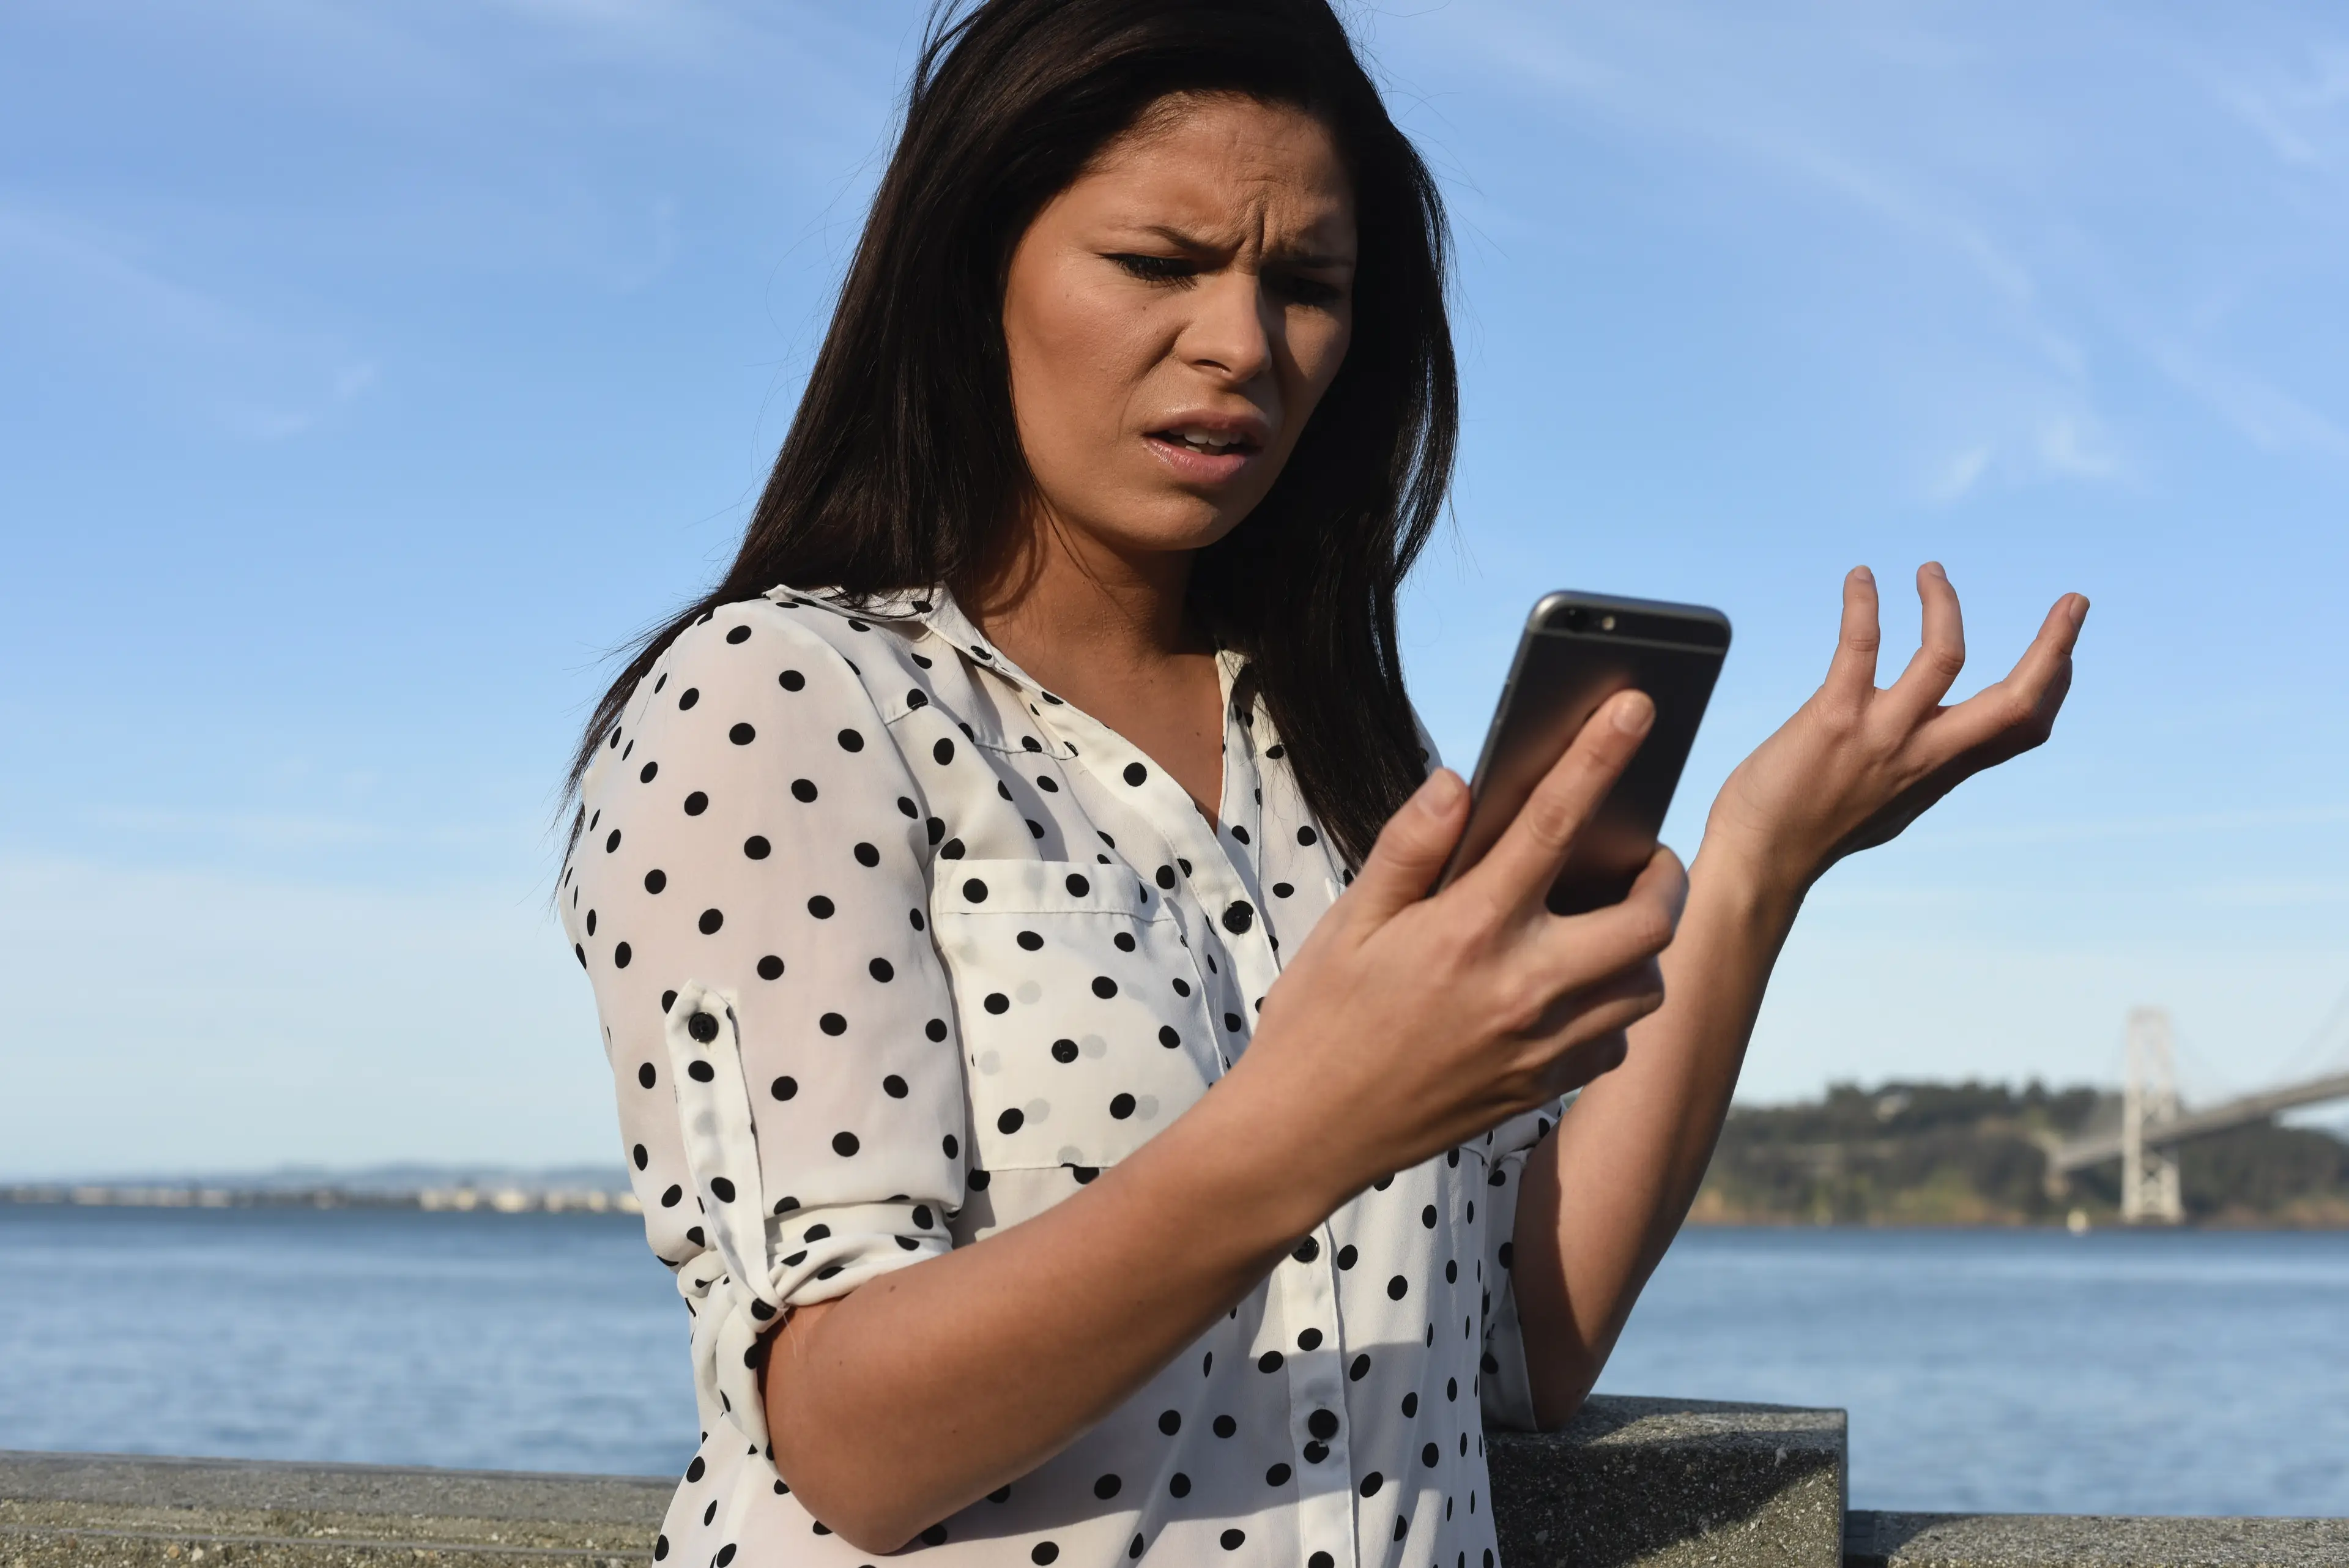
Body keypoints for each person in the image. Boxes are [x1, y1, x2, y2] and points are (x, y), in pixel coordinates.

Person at [557, 2, 2087, 1565]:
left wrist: (1760, 860)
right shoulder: (788, 695)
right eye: (1159, 264)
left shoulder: (1345, 761)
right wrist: (1319, 1115)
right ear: (975, 277)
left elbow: (1515, 1354)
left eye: (1305, 286)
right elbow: (846, 1440)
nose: (1239, 344)